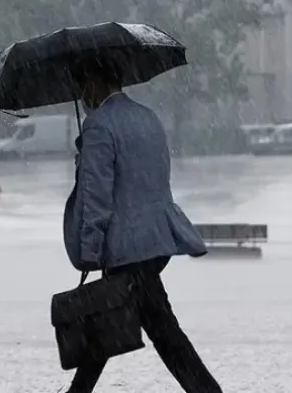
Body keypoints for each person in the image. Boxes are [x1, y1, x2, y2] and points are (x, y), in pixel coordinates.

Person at [62, 66, 222, 393]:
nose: (83, 97)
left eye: (83, 86)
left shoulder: (99, 126)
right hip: (156, 240)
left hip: (126, 247)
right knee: (114, 322)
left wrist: (89, 251)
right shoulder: (148, 117)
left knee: (159, 330)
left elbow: (96, 196)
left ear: (96, 81)